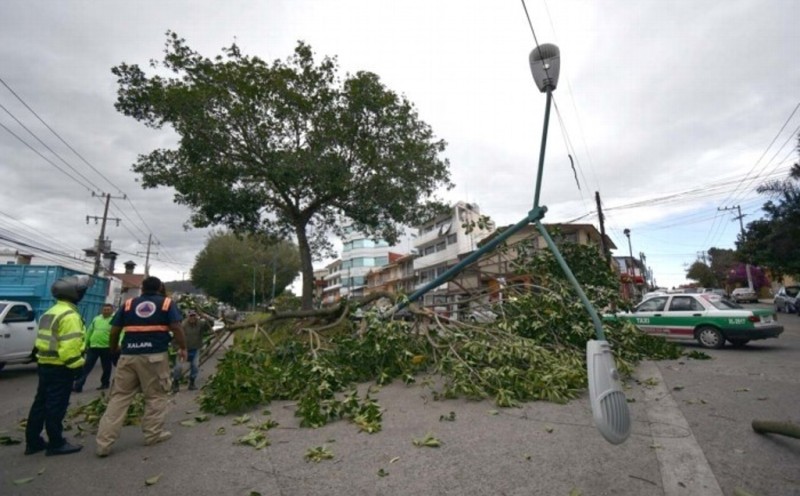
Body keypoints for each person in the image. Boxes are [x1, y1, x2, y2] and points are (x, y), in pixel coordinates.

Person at [95, 276, 187, 457]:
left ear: (142, 288)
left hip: (128, 356)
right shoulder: (166, 304)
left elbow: (114, 330)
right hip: (154, 357)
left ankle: (103, 443)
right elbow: (176, 327)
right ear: (160, 287)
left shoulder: (129, 304)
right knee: (155, 396)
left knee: (119, 398)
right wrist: (183, 347)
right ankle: (153, 434)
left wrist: (113, 348)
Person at [24, 275, 90, 456]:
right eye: (81, 291)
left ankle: (33, 442)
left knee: (40, 404)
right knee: (56, 406)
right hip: (61, 367)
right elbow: (69, 348)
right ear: (74, 294)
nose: (82, 294)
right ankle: (56, 443)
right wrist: (77, 367)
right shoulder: (70, 316)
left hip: (45, 364)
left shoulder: (50, 312)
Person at [73, 303, 115, 392]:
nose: (106, 311)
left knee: (106, 367)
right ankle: (78, 386)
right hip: (93, 346)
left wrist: (117, 343)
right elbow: (89, 331)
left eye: (108, 310)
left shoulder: (114, 320)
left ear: (112, 311)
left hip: (106, 347)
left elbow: (120, 332)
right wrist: (85, 343)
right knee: (86, 367)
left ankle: (105, 383)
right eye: (104, 309)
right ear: (101, 310)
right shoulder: (96, 319)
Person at [172, 310, 210, 392]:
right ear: (187, 316)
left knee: (195, 366)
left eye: (194, 316)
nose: (192, 317)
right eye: (191, 316)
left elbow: (210, 325)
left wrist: (206, 317)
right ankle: (175, 383)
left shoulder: (200, 324)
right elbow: (174, 340)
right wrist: (178, 348)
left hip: (195, 349)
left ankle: (192, 383)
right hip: (183, 350)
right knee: (178, 367)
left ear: (196, 316)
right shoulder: (182, 326)